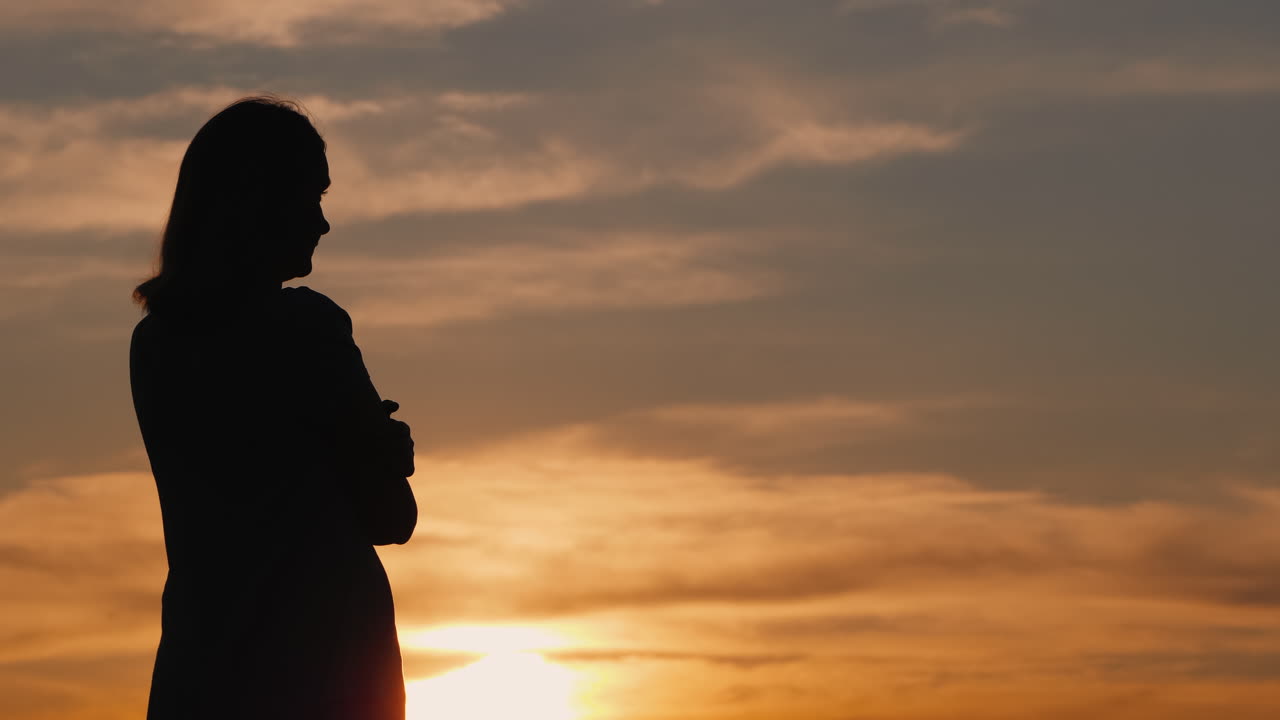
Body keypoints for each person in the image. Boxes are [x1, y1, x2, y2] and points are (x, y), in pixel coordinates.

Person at [129, 96, 416, 720]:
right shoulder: (306, 330)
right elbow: (391, 516)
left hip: (199, 675)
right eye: (311, 197)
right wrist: (387, 454)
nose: (323, 222)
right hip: (325, 676)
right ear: (259, 202)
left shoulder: (153, 345)